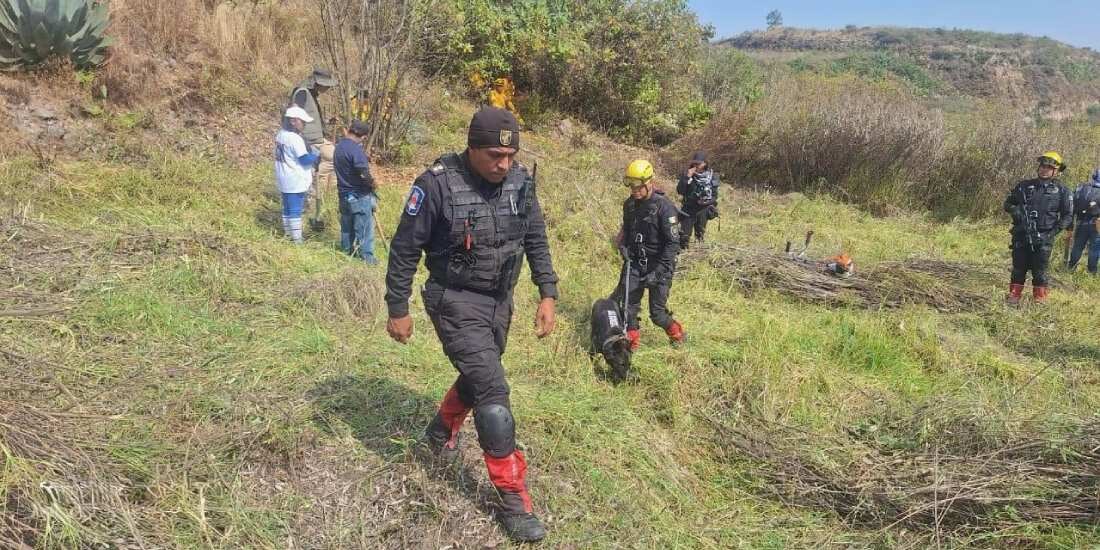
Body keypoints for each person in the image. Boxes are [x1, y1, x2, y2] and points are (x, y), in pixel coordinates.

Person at [384, 108, 558, 542]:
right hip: (453, 299)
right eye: (495, 155)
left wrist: (548, 292)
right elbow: (405, 248)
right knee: (493, 390)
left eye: (511, 154)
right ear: (472, 148)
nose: (504, 164)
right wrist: (397, 307)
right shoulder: (436, 184)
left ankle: (439, 432)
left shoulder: (521, 181)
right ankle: (514, 501)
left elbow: (535, 236)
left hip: (500, 300)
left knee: (479, 375)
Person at [614, 159, 685, 349]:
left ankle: (677, 335)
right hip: (636, 263)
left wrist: (658, 272)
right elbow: (627, 231)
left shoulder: (664, 208)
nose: (634, 190)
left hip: (660, 265)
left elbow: (673, 244)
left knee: (657, 314)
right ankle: (631, 345)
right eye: (630, 185)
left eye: (637, 186)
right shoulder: (629, 205)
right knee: (627, 307)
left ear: (648, 182)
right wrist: (623, 247)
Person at [1003, 151, 1073, 304]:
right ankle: (1014, 297)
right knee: (1018, 269)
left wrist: (1053, 233)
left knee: (1040, 271)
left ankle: (1039, 300)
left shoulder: (1062, 191)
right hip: (1021, 235)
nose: (1044, 169)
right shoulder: (1024, 186)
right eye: (1042, 166)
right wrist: (1015, 211)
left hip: (1044, 238)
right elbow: (1008, 203)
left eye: (1049, 167)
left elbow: (1068, 216)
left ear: (1057, 171)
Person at [287, 68, 338, 228]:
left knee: (335, 160)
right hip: (310, 140)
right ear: (318, 82)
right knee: (336, 157)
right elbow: (294, 116)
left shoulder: (311, 93)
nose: (327, 89)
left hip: (317, 138)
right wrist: (300, 139)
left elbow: (309, 117)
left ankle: (320, 192)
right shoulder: (302, 92)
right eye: (326, 85)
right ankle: (316, 189)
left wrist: (327, 122)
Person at [334, 120, 379, 264]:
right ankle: (367, 258)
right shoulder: (356, 150)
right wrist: (372, 183)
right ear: (363, 136)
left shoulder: (339, 147)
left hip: (343, 194)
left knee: (347, 227)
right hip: (359, 195)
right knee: (364, 229)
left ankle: (346, 252)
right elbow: (363, 173)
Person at [274, 106, 320, 243]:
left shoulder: (281, 134)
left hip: (283, 177)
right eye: (302, 122)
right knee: (295, 210)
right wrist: (316, 156)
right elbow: (304, 159)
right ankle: (297, 240)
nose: (304, 125)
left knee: (287, 208)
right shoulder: (294, 139)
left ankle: (288, 235)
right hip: (294, 179)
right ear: (293, 121)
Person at [675, 151, 720, 249]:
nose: (696, 165)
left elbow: (715, 196)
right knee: (684, 236)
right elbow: (680, 191)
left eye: (698, 163)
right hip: (689, 208)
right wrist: (687, 177)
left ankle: (698, 254)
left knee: (700, 235)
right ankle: (683, 251)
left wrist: (706, 202)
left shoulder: (712, 176)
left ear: (704, 163)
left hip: (703, 209)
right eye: (694, 163)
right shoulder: (688, 174)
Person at [1067, 169, 1100, 274]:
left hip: (1081, 222)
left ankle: (1070, 267)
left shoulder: (1081, 188)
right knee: (1094, 249)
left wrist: (1070, 224)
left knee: (1077, 246)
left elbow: (1072, 206)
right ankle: (1092, 272)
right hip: (1098, 223)